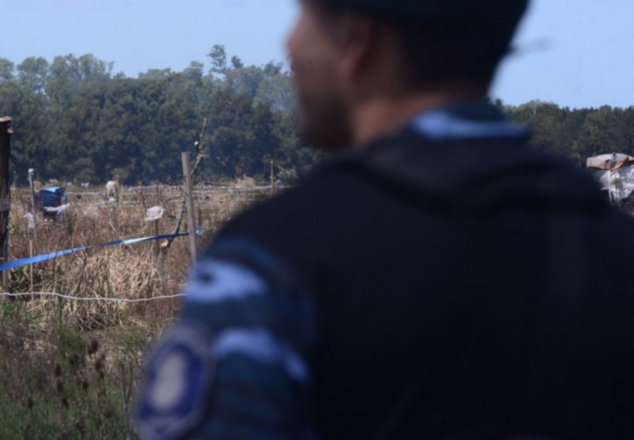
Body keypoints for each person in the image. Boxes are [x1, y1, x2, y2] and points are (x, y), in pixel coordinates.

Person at [136, 1, 634, 439]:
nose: (289, 42)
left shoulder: (271, 263)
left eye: (305, 13)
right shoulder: (615, 249)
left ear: (357, 40)